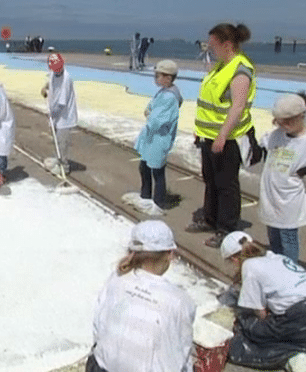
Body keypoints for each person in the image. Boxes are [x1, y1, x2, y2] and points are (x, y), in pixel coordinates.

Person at [87, 220, 196, 372]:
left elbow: (98, 327)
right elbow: (181, 353)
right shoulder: (180, 300)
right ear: (170, 254)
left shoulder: (117, 278)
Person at [186, 23, 257, 248]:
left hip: (228, 139)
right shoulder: (221, 66)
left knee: (226, 185)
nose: (210, 49)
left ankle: (227, 228)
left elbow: (237, 107)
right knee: (211, 180)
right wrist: (200, 130)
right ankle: (210, 218)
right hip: (208, 135)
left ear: (226, 45)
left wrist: (222, 136)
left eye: (212, 45)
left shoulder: (240, 69)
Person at [219, 231, 306, 369]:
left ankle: (294, 352)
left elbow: (261, 314)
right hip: (300, 308)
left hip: (299, 315)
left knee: (252, 328)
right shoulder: (275, 257)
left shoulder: (249, 266)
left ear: (234, 259)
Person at [254, 93, 306, 262]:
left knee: (288, 238)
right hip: (271, 198)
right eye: (279, 121)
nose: (283, 125)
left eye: (288, 121)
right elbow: (259, 146)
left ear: (301, 117)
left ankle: (291, 270)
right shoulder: (276, 135)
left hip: (289, 201)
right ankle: (277, 266)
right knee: (274, 237)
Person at [133, 60, 183, 215]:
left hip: (159, 139)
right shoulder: (163, 92)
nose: (155, 78)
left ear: (168, 77)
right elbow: (150, 108)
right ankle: (145, 196)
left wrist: (150, 115)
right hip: (152, 138)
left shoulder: (170, 97)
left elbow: (157, 119)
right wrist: (149, 113)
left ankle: (159, 202)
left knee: (157, 170)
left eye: (158, 75)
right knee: (145, 167)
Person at [41, 53, 78, 175]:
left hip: (65, 116)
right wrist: (45, 88)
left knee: (62, 143)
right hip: (55, 113)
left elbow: (62, 103)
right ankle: (58, 160)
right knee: (56, 140)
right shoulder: (53, 73)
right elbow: (50, 83)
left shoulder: (66, 79)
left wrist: (52, 114)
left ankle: (64, 167)